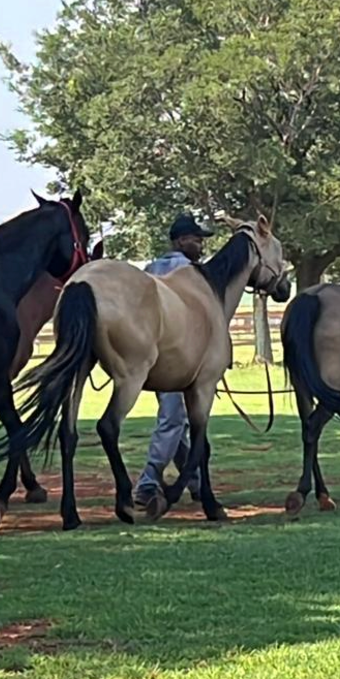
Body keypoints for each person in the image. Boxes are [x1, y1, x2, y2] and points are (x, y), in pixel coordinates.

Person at [133, 212, 214, 506]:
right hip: (180, 355)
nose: (201, 246)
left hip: (151, 356)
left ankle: (195, 482)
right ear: (181, 241)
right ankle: (148, 482)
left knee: (176, 421)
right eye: (196, 240)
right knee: (173, 419)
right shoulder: (192, 275)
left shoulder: (149, 269)